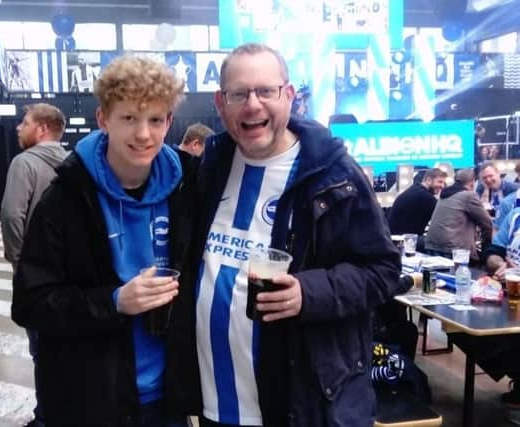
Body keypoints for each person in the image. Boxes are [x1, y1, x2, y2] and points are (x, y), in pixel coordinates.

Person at [166, 43, 401, 427]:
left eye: (266, 91)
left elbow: (383, 270)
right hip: (215, 404)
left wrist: (309, 292)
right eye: (239, 94)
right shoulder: (210, 167)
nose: (252, 105)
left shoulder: (334, 175)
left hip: (301, 405)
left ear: (289, 96)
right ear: (221, 102)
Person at [11, 56, 196, 426]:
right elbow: (30, 303)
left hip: (169, 401)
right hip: (93, 400)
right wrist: (114, 301)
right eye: (129, 118)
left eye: (155, 120)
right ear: (103, 119)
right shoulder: (65, 198)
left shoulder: (189, 187)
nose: (143, 134)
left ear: (169, 123)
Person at [0, 102, 68, 427]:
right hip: (73, 279)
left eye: (24, 122)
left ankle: (45, 418)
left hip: (37, 280)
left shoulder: (24, 163)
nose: (18, 127)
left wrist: (19, 262)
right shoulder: (76, 163)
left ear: (41, 128)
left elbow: (13, 215)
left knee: (41, 351)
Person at [425, 168, 492, 263]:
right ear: (472, 182)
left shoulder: (444, 194)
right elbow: (487, 224)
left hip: (432, 245)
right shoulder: (469, 196)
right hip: (453, 251)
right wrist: (487, 246)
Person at [387, 168, 447, 236]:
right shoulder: (425, 196)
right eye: (440, 182)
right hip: (405, 240)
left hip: (396, 237)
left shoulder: (416, 189)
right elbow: (445, 218)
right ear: (429, 180)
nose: (442, 186)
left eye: (443, 183)